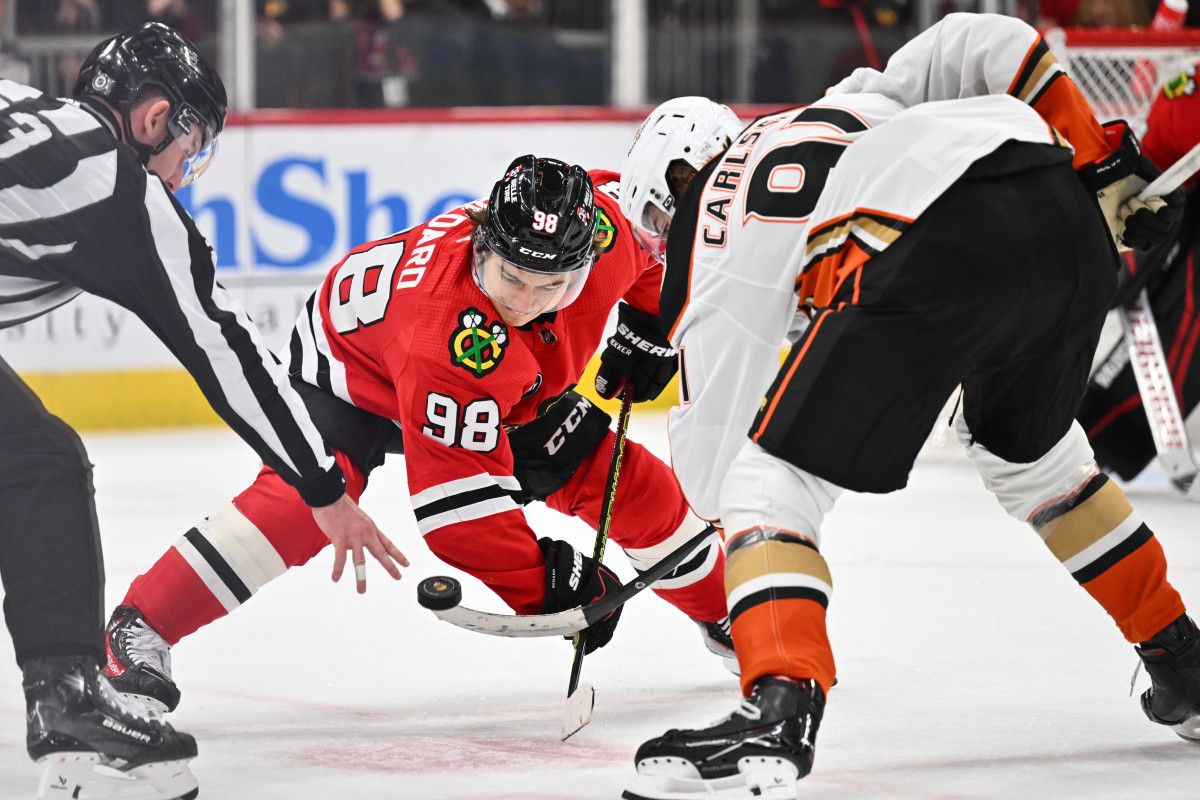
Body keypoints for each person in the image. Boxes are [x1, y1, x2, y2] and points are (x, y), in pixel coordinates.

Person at [616, 13, 1196, 799]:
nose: (658, 239)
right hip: (1056, 208)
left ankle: (779, 706)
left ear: (672, 188)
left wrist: (735, 557)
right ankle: (1182, 660)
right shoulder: (837, 105)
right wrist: (1097, 158)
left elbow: (716, 460)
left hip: (931, 249)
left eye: (655, 219)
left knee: (766, 484)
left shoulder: (705, 224)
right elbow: (980, 40)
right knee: (1036, 461)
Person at [101, 154, 733, 716]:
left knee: (628, 483)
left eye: (553, 288)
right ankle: (139, 626)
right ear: (482, 246)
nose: (526, 302)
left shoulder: (606, 232)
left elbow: (652, 262)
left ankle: (725, 614)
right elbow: (455, 516)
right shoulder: (451, 340)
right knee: (308, 501)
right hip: (352, 375)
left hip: (511, 388)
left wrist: (649, 326)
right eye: (511, 278)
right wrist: (543, 587)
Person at [0, 22, 403, 800]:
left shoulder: (23, 106)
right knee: (39, 466)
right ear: (153, 119)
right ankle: (69, 702)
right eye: (193, 149)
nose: (186, 176)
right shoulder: (119, 186)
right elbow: (230, 356)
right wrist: (322, 487)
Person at [1079, 60, 1200, 483]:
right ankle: (1102, 434)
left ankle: (1105, 436)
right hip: (1173, 204)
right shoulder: (1187, 92)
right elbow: (1164, 149)